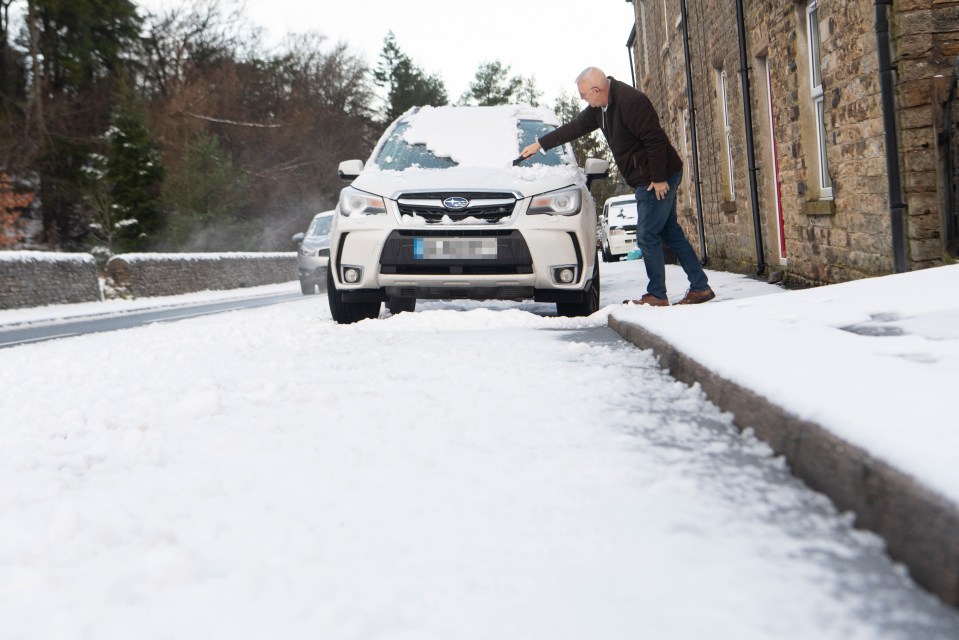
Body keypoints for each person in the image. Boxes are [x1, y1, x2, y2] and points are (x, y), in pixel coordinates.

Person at [519, 67, 714, 306]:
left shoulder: (632, 102)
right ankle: (700, 287)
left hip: (655, 178)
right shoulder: (599, 108)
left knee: (646, 234)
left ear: (597, 89)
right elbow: (575, 127)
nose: (582, 99)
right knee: (669, 232)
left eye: (583, 94)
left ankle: (658, 295)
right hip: (649, 176)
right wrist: (540, 144)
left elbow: (654, 139)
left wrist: (659, 178)